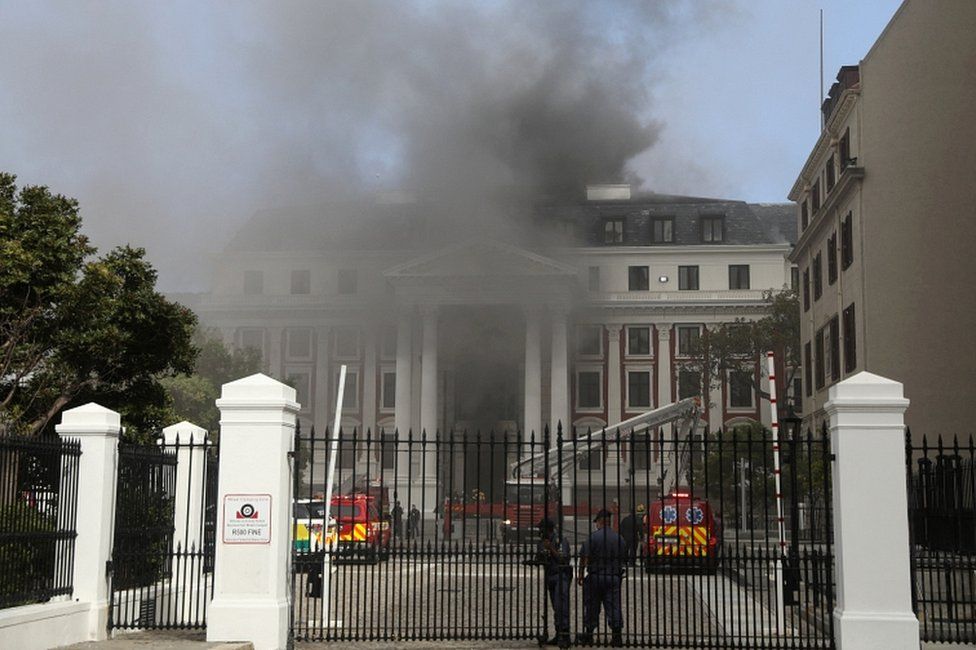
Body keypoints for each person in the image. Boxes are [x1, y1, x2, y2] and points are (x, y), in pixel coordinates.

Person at [577, 509, 626, 647]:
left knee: (592, 606)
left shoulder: (593, 537)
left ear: (599, 522)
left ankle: (589, 634)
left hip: (596, 576)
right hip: (613, 577)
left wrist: (581, 575)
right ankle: (617, 636)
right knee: (614, 606)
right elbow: (624, 557)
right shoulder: (619, 538)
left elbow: (584, 557)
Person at [535, 517, 572, 648]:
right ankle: (558, 633)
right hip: (550, 575)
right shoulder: (542, 541)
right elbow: (539, 557)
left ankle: (565, 634)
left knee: (561, 605)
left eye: (541, 529)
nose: (539, 531)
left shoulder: (560, 540)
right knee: (555, 607)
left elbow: (564, 559)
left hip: (560, 575)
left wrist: (550, 548)